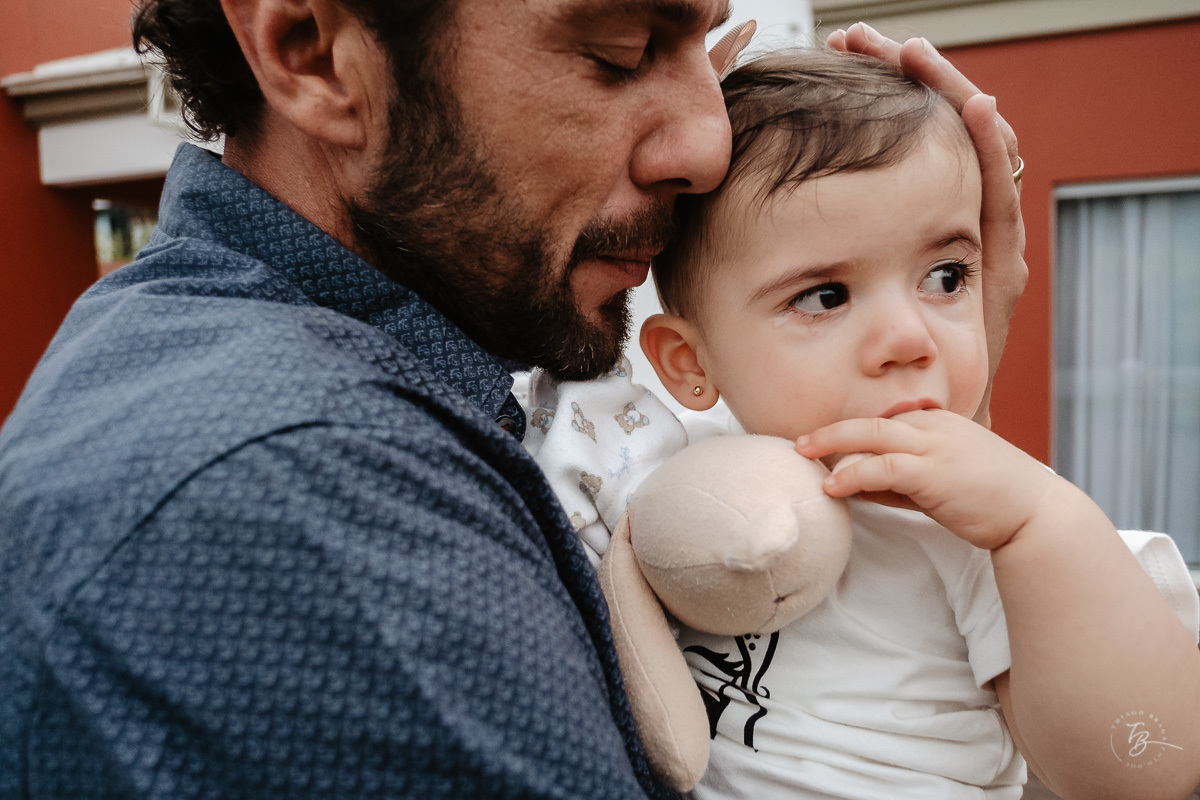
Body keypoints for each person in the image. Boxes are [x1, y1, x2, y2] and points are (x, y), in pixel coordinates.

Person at [0, 0, 1028, 795]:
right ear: (313, 54)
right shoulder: (311, 497)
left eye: (705, 43)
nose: (708, 143)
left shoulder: (230, 347)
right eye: (620, 52)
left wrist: (920, 376)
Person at [522, 49, 1200, 799]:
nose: (909, 338)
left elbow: (1147, 772)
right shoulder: (671, 467)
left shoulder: (981, 524)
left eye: (946, 277)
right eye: (825, 296)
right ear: (690, 362)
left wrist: (1042, 525)